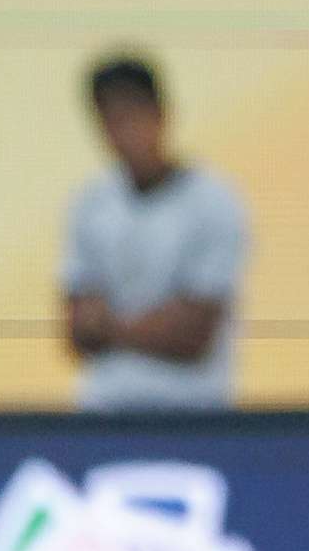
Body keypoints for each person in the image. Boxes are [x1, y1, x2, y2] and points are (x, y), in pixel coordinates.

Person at [58, 54, 249, 414]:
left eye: (131, 116)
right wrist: (157, 323)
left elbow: (194, 334)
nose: (121, 133)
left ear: (161, 114)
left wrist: (110, 328)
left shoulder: (212, 202)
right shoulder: (90, 204)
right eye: (109, 120)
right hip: (106, 413)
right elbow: (77, 331)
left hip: (193, 414)